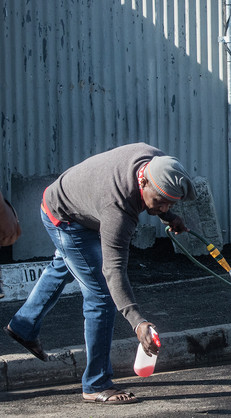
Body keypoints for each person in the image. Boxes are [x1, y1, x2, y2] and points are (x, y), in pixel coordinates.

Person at [4, 143, 196, 404]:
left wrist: (168, 215)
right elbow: (113, 269)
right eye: (160, 203)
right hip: (66, 217)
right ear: (144, 183)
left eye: (169, 204)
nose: (163, 208)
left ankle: (23, 325)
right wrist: (137, 321)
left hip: (77, 202)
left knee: (64, 266)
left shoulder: (157, 163)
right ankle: (95, 383)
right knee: (101, 296)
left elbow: (156, 197)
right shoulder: (118, 208)